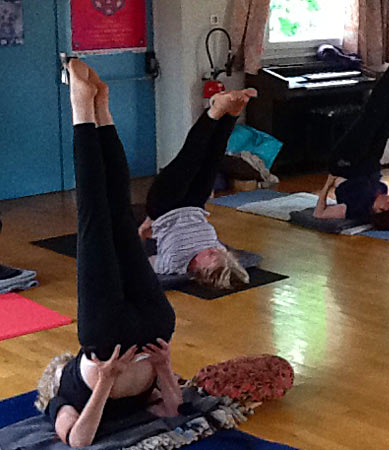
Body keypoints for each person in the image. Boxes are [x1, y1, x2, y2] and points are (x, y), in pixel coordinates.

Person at [36, 59, 183, 448]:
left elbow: (76, 438)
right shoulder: (69, 387)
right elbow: (174, 408)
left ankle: (97, 107)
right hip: (140, 336)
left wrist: (104, 381)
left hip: (121, 338)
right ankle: (88, 109)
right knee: (104, 217)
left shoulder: (64, 400)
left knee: (110, 217)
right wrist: (164, 366)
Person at [137, 88, 258, 290]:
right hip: (194, 204)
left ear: (198, 270)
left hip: (163, 207)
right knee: (212, 159)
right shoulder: (219, 252)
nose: (214, 250)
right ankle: (232, 113)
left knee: (190, 158)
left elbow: (143, 263)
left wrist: (142, 235)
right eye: (219, 253)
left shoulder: (173, 264)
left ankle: (214, 111)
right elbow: (237, 269)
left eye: (211, 256)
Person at [312, 42, 389, 230]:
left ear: (380, 210)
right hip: (369, 163)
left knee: (373, 113)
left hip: (346, 161)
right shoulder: (381, 190)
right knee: (388, 115)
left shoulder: (357, 208)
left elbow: (319, 214)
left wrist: (327, 184)